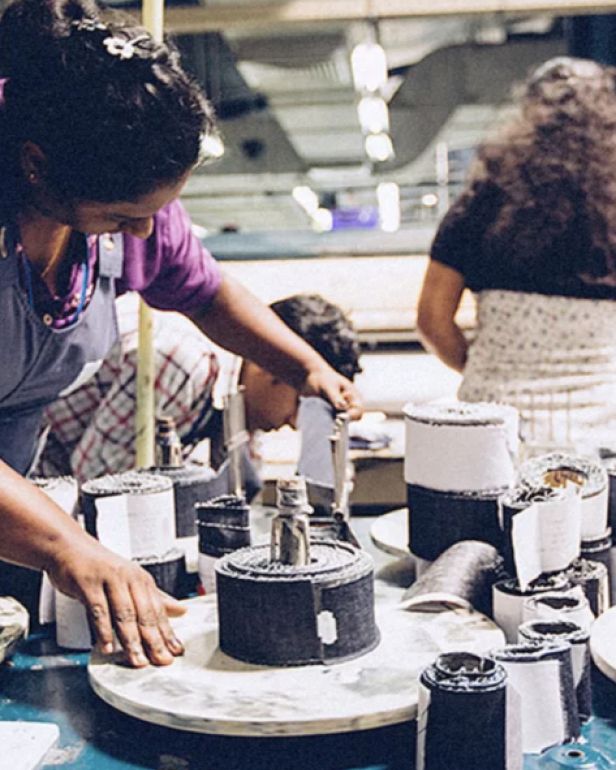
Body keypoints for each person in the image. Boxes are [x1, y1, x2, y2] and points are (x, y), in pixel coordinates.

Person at [0, 0, 361, 668]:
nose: (143, 233)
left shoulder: (129, 212)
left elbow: (204, 289)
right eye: (121, 214)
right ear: (34, 165)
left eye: (154, 213)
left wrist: (304, 364)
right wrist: (67, 544)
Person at [417, 56, 616, 451]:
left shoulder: (487, 199)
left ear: (530, 116)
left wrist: (483, 368)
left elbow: (432, 320)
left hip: (495, 433)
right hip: (601, 437)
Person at [37, 293, 362, 482]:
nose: (293, 423)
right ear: (271, 365)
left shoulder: (235, 399)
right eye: (299, 405)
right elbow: (102, 485)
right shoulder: (184, 364)